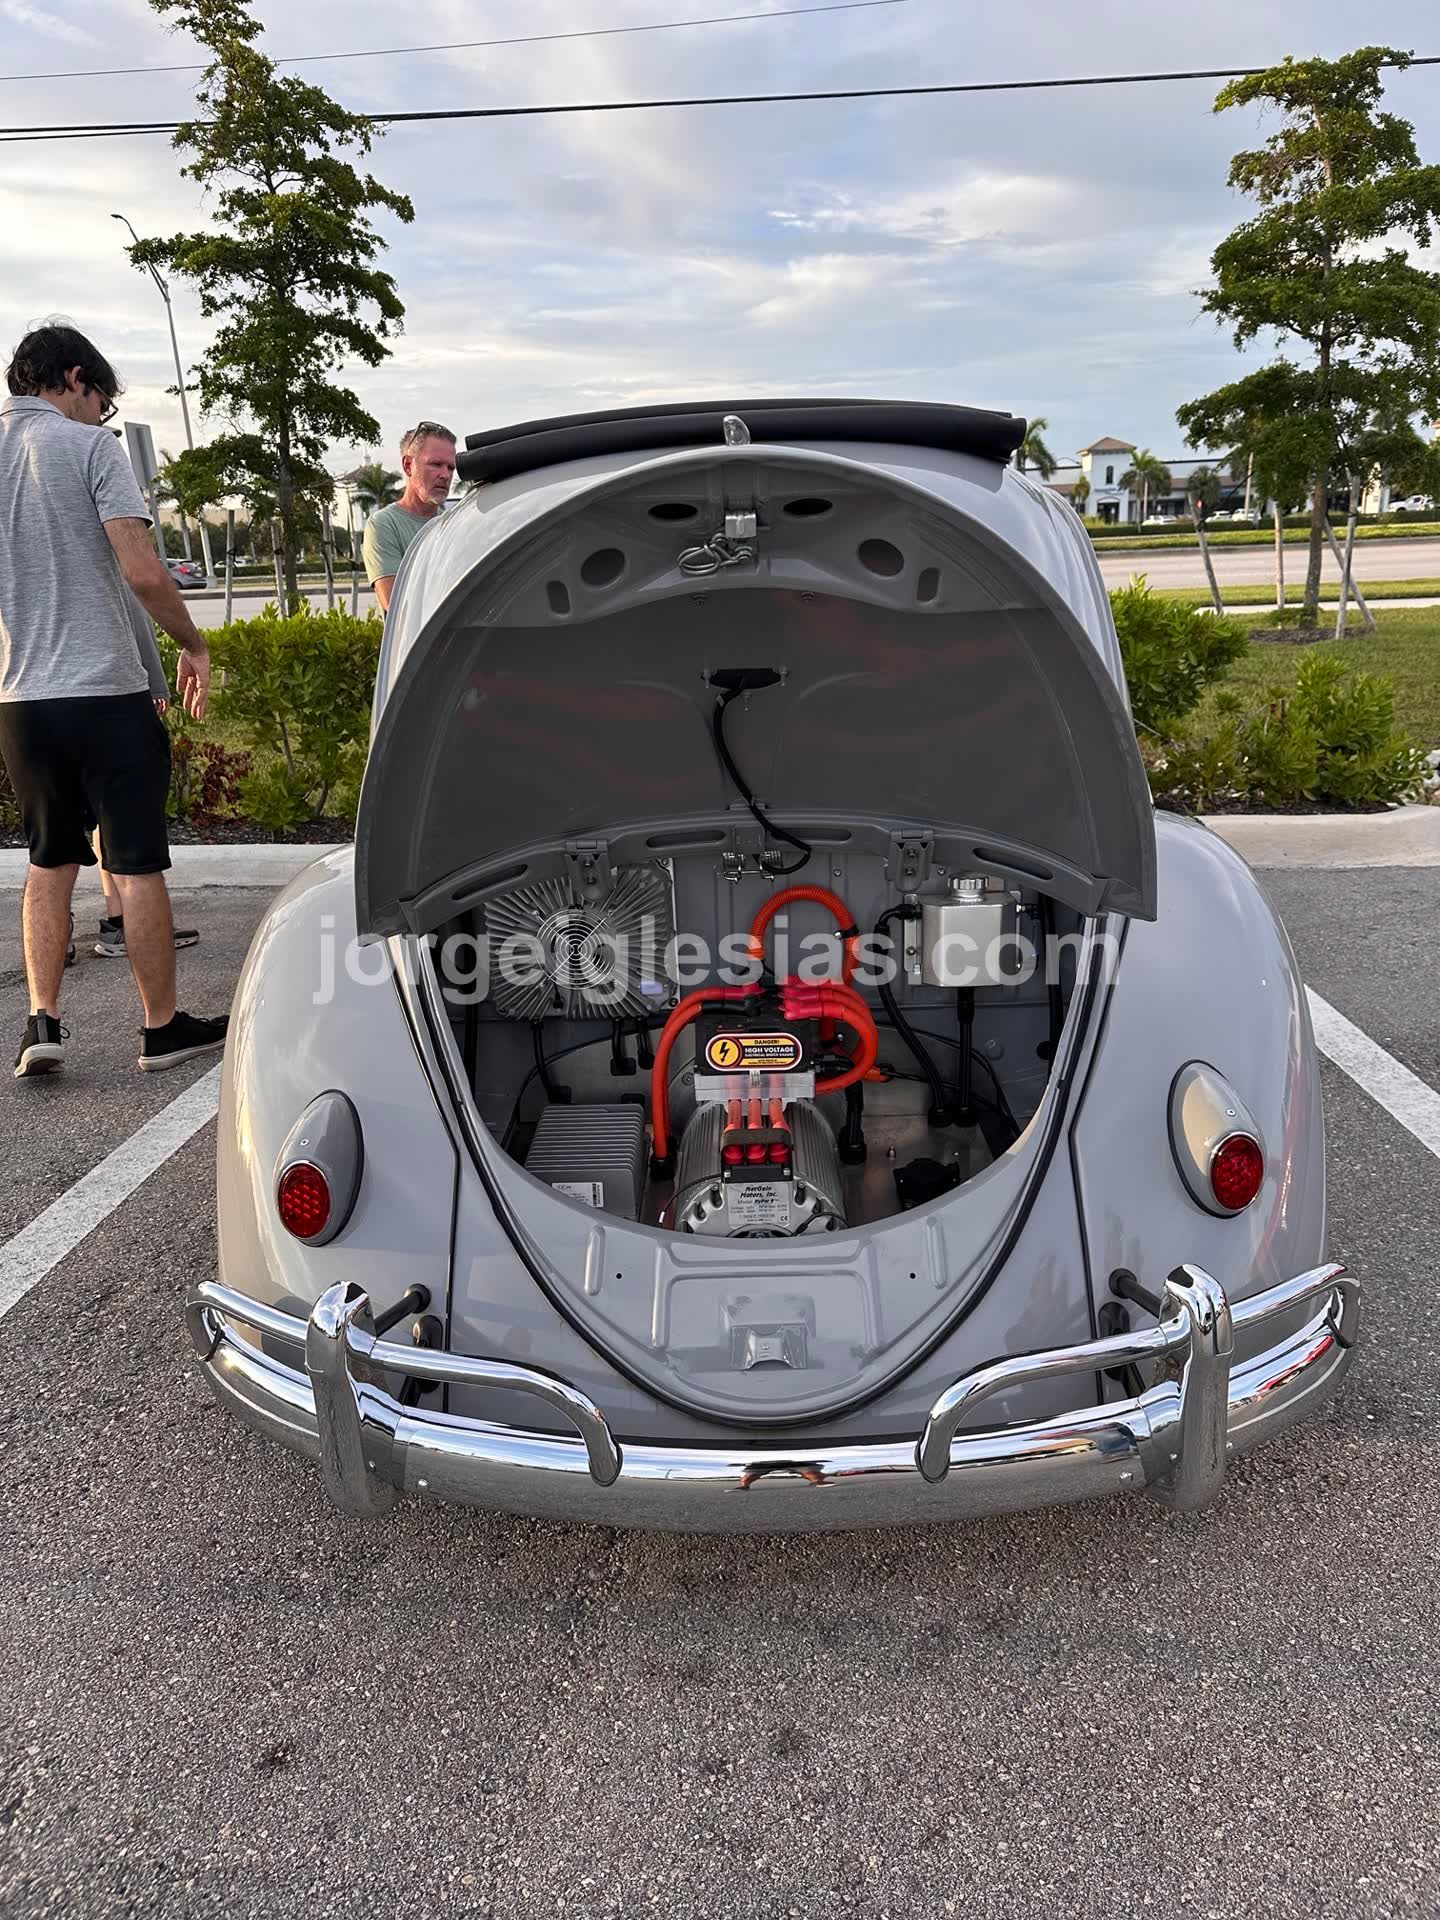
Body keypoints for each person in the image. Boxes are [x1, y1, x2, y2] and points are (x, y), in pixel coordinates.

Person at [0, 320, 228, 1078]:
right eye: (100, 399)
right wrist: (191, 643)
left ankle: (42, 1023)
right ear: (74, 378)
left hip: (22, 700)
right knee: (133, 865)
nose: (102, 414)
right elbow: (143, 570)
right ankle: (162, 1029)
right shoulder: (92, 448)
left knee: (47, 861)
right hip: (104, 692)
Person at [361, 420, 457, 612]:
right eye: (436, 464)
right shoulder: (384, 525)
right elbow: (397, 605)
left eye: (450, 467)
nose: (445, 475)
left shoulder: (453, 524)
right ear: (408, 465)